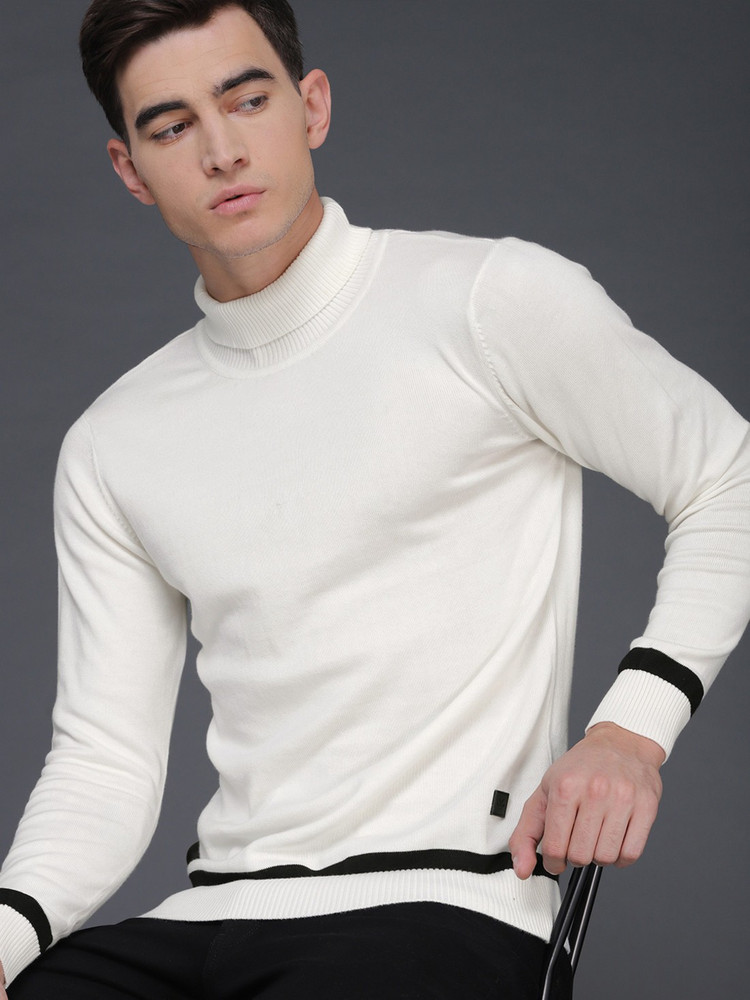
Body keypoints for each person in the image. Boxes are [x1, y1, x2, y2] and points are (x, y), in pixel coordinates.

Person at [0, 0, 748, 997]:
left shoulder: (487, 302)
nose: (221, 151)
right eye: (172, 126)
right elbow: (104, 762)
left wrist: (630, 731)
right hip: (208, 917)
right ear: (130, 168)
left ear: (311, 106)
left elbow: (727, 475)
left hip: (441, 907)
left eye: (247, 100)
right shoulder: (111, 442)